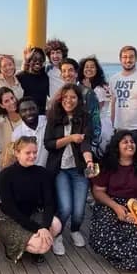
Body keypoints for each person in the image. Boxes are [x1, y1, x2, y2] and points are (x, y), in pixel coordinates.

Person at [90, 130, 137, 271]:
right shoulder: (108, 163)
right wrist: (115, 207)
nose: (130, 144)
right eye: (125, 142)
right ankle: (126, 260)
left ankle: (131, 261)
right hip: (112, 203)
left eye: (132, 142)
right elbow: (98, 191)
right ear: (117, 146)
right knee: (102, 233)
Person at [45, 83, 95, 255]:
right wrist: (70, 138)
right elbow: (49, 144)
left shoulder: (85, 117)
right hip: (60, 170)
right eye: (65, 97)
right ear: (60, 99)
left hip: (79, 168)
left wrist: (89, 161)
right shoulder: (53, 117)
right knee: (65, 207)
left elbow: (86, 143)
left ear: (79, 100)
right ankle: (57, 235)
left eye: (73, 97)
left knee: (79, 210)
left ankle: (74, 230)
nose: (69, 100)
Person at [0, 136, 61, 264]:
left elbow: (49, 202)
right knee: (40, 246)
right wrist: (38, 229)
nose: (32, 156)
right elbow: (11, 210)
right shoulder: (5, 175)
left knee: (56, 225)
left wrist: (45, 226)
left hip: (32, 215)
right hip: (9, 219)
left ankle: (33, 246)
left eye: (35, 152)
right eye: (28, 153)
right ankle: (13, 248)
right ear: (17, 153)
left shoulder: (42, 173)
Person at [60, 58, 101, 152]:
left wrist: (92, 144)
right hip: (65, 145)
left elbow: (95, 120)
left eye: (70, 70)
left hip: (84, 145)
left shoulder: (87, 93)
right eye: (63, 71)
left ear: (76, 73)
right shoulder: (60, 94)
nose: (67, 74)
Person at [78, 56, 113, 152]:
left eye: (92, 67)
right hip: (84, 124)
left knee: (99, 153)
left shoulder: (101, 88)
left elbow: (95, 110)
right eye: (86, 67)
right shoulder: (79, 86)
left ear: (97, 70)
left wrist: (89, 90)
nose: (89, 69)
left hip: (100, 125)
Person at [12, 97, 49, 167]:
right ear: (19, 113)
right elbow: (18, 157)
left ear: (37, 109)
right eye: (24, 110)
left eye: (32, 109)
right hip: (28, 172)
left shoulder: (47, 121)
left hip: (49, 170)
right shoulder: (17, 133)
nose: (28, 113)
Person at [17, 47, 49, 114]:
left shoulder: (45, 77)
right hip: (25, 116)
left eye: (40, 60)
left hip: (41, 117)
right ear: (29, 60)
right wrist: (25, 60)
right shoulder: (20, 77)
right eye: (34, 59)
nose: (37, 62)